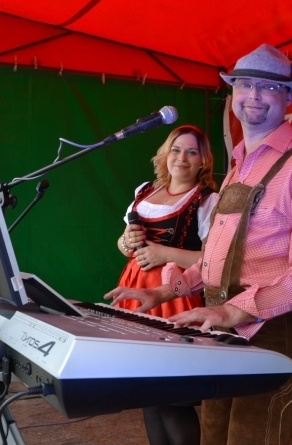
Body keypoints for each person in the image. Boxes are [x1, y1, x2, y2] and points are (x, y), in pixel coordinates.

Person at [106, 44, 292, 445]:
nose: (254, 96)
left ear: (289, 96)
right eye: (245, 85)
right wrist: (163, 291)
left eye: (268, 87)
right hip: (223, 325)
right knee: (212, 435)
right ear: (233, 94)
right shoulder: (239, 165)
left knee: (251, 437)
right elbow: (216, 258)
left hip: (272, 329)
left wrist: (234, 310)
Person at [116, 124, 218, 445]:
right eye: (176, 149)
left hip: (175, 296)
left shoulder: (207, 200)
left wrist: (164, 253)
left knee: (172, 395)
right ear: (165, 153)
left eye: (192, 152)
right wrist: (126, 241)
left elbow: (214, 259)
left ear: (203, 160)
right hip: (135, 291)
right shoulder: (144, 191)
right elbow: (123, 245)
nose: (182, 158)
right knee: (147, 391)